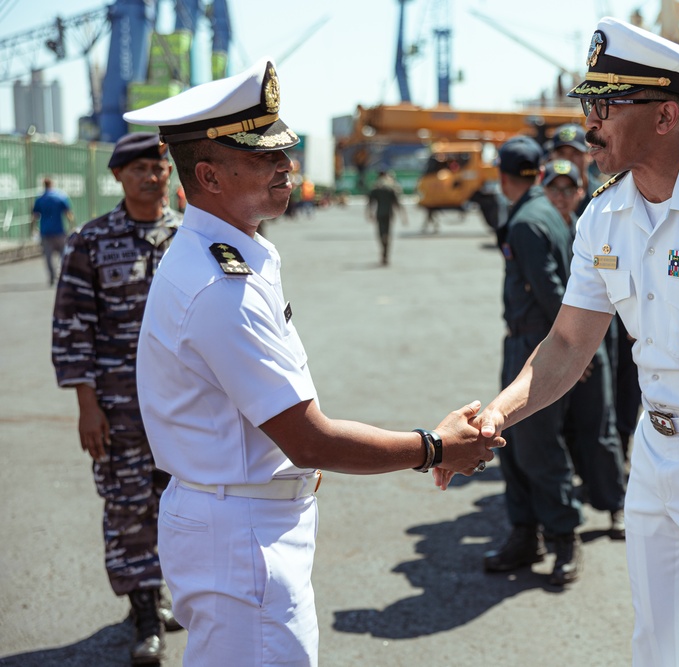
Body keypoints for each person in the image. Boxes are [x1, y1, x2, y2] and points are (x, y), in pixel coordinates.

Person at [439, 18, 679, 666]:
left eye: (604, 106)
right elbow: (566, 343)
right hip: (652, 451)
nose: (589, 123)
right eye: (589, 104)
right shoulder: (603, 214)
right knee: (656, 646)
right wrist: (496, 414)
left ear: (668, 114)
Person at [124, 58, 501, 667]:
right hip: (240, 532)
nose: (286, 165)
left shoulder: (235, 256)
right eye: (264, 156)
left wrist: (292, 461)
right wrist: (436, 446)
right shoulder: (221, 285)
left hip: (244, 516)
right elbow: (310, 439)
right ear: (208, 176)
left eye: (282, 152)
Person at [51, 132, 182, 664]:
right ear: (118, 177)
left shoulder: (191, 237)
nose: (152, 176)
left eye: (159, 167)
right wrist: (87, 405)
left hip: (183, 410)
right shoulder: (91, 240)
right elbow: (71, 325)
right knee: (128, 508)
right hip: (119, 407)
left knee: (180, 507)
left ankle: (163, 592)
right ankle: (145, 615)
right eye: (140, 169)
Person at [485, 138, 583, 585]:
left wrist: (571, 352)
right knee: (515, 443)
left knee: (536, 446)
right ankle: (527, 535)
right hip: (536, 341)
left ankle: (563, 538)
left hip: (534, 344)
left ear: (503, 176)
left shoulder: (526, 219)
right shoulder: (546, 210)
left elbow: (550, 293)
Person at [542, 159, 627, 540]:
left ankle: (614, 506)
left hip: (594, 345)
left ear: (580, 190)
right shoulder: (546, 227)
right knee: (560, 431)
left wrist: (585, 350)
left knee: (601, 428)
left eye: (568, 189)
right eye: (553, 189)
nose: (561, 197)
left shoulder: (596, 222)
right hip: (558, 345)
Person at [547, 124, 643, 458]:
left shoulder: (606, 201)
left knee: (623, 388)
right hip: (578, 313)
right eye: (562, 154)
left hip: (619, 315)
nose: (570, 160)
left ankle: (622, 450)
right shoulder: (553, 204)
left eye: (575, 153)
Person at [31, 176, 75, 285]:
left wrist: (32, 228)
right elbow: (68, 213)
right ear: (52, 184)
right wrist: (72, 226)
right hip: (59, 231)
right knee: (63, 254)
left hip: (45, 232)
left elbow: (34, 215)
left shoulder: (40, 199)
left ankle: (52, 275)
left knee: (48, 256)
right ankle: (62, 274)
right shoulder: (60, 197)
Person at [366, 169, 408, 264]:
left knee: (380, 233)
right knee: (388, 233)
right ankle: (386, 253)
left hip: (380, 213)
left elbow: (370, 202)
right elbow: (398, 203)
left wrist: (369, 213)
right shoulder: (392, 187)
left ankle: (383, 249)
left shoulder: (376, 187)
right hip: (389, 213)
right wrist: (403, 217)